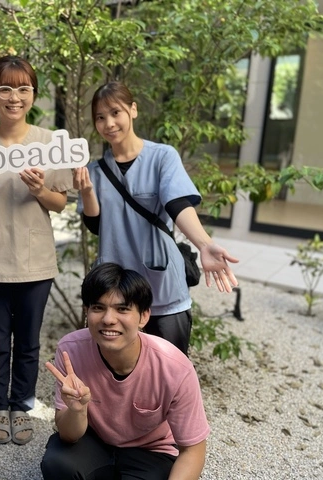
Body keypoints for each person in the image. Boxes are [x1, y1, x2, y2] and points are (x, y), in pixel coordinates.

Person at [0, 55, 72, 445]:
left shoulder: (49, 143)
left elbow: (60, 203)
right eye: (4, 89)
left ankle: (21, 405)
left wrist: (40, 190)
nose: (14, 97)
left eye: (23, 88)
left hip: (36, 261)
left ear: (33, 94)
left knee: (29, 342)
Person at [73, 81, 239, 355]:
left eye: (115, 112)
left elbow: (177, 204)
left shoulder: (162, 157)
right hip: (115, 289)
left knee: (168, 365)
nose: (109, 123)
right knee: (118, 368)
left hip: (162, 285)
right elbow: (95, 225)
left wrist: (204, 244)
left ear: (133, 110)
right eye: (100, 117)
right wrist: (88, 191)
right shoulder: (94, 170)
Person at [42, 262, 210, 479]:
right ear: (87, 312)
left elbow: (193, 450)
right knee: (58, 465)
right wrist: (77, 410)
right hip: (93, 440)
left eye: (122, 309)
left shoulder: (174, 368)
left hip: (151, 451)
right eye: (98, 308)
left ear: (144, 316)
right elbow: (69, 435)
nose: (108, 319)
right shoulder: (71, 351)